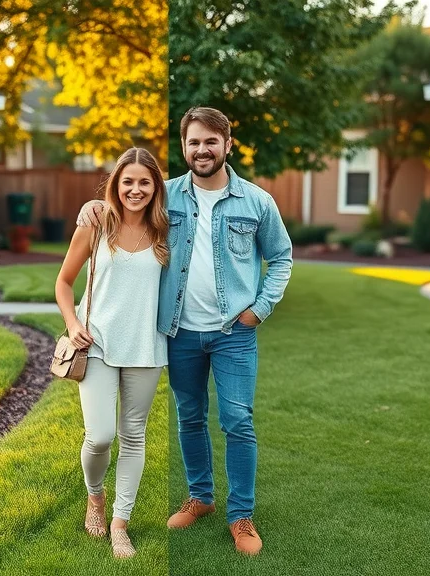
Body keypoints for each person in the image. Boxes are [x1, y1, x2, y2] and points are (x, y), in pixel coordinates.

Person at [76, 107, 293, 556]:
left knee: (237, 420)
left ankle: (241, 515)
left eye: (211, 141)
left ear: (228, 145)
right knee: (189, 416)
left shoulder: (257, 201)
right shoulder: (165, 195)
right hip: (178, 332)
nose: (202, 149)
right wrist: (92, 205)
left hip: (234, 332)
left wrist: (260, 309)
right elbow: (124, 203)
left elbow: (281, 257)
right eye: (194, 142)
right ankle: (200, 498)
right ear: (184, 146)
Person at [55, 147, 171, 559]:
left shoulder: (167, 230)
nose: (136, 190)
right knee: (101, 435)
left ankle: (120, 522)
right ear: (116, 184)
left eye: (145, 182)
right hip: (98, 344)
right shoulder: (96, 223)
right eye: (128, 182)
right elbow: (64, 282)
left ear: (156, 187)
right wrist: (73, 324)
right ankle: (95, 495)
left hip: (145, 347)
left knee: (134, 436)